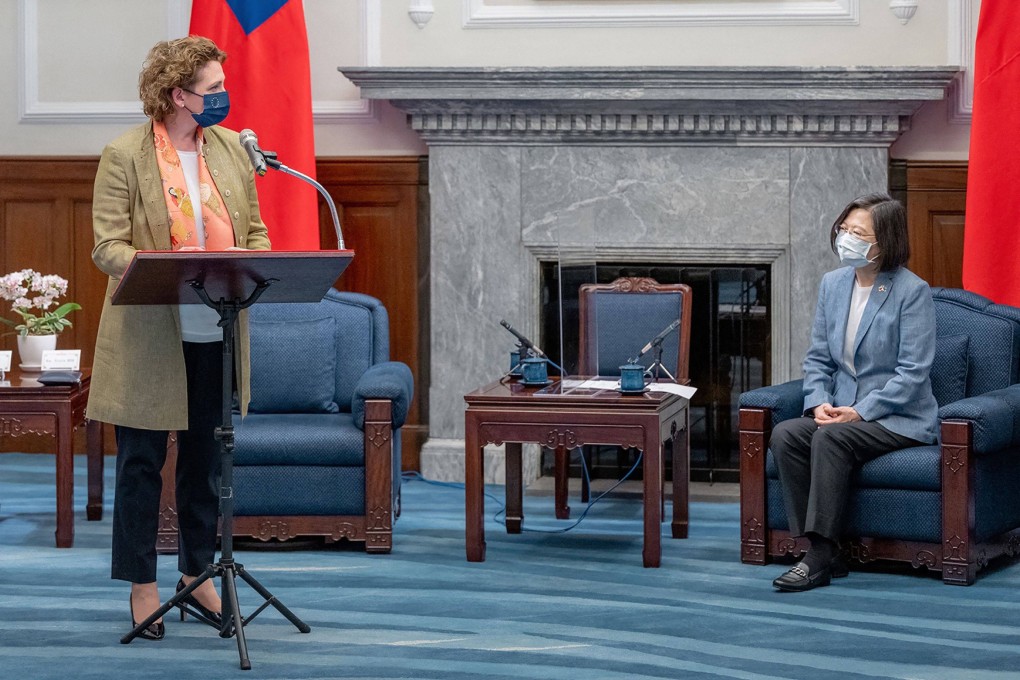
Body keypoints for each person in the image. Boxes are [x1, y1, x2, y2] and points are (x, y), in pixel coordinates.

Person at [89, 36, 271, 639]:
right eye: (212, 88)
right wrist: (161, 261)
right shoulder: (125, 154)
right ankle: (142, 585)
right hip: (150, 328)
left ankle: (198, 578)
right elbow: (107, 245)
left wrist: (257, 260)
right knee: (141, 462)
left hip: (216, 327)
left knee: (205, 461)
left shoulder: (232, 149)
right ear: (177, 94)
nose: (224, 97)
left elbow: (257, 232)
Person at [770, 193, 938, 593]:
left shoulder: (912, 291)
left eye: (858, 233)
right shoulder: (833, 284)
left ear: (886, 241)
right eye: (844, 229)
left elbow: (913, 373)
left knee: (831, 438)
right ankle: (822, 550)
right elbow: (817, 359)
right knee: (787, 434)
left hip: (899, 417)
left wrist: (860, 412)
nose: (847, 238)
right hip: (841, 412)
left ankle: (819, 559)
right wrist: (818, 402)